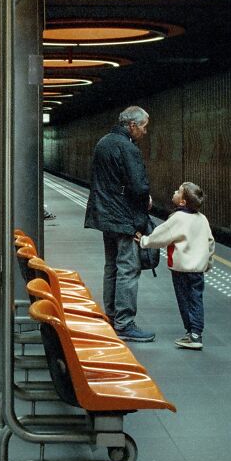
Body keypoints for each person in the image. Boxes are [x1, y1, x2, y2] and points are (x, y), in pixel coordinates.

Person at [84, 105, 155, 342]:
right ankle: (125, 323)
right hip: (123, 217)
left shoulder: (103, 142)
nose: (145, 132)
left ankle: (112, 317)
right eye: (144, 127)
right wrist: (143, 213)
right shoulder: (127, 147)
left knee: (111, 266)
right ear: (132, 125)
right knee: (128, 268)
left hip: (105, 215)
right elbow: (138, 186)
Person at [136, 181, 215, 350]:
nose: (174, 192)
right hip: (198, 270)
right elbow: (210, 243)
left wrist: (144, 241)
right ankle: (196, 333)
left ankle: (191, 334)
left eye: (178, 191)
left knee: (184, 300)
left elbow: (160, 236)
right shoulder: (203, 219)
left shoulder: (177, 218)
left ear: (182, 202)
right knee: (196, 300)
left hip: (181, 268)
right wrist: (207, 263)